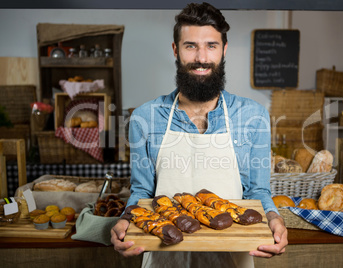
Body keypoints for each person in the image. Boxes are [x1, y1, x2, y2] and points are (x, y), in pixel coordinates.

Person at [111, 2, 287, 267]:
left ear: (224, 50)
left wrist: (274, 218)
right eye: (190, 45)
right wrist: (125, 220)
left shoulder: (254, 117)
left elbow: (257, 190)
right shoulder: (145, 118)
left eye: (211, 46)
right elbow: (142, 190)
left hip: (232, 257)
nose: (201, 58)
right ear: (176, 50)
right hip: (164, 257)